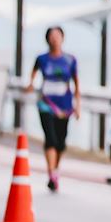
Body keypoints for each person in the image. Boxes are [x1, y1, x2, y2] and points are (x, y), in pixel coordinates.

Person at [28, 26, 80, 193]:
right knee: (50, 137)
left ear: (63, 38)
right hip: (46, 104)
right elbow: (33, 74)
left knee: (61, 141)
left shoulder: (70, 60)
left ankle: (55, 169)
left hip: (64, 105)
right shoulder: (42, 59)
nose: (54, 39)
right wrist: (30, 84)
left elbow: (76, 83)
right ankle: (51, 173)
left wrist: (77, 105)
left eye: (57, 36)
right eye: (52, 36)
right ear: (47, 39)